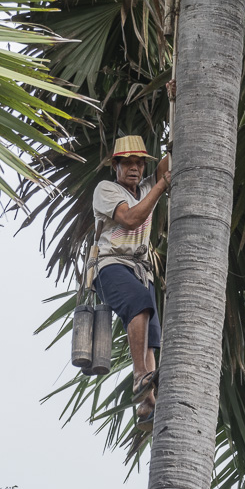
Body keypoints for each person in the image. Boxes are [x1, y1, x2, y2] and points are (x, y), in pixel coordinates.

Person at [91, 135, 171, 430]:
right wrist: (161, 186)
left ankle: (147, 405)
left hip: (141, 270)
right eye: (128, 163)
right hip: (110, 265)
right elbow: (130, 219)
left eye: (139, 163)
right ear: (116, 165)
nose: (135, 168)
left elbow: (170, 158)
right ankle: (140, 377)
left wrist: (177, 98)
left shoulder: (147, 185)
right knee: (139, 304)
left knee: (151, 335)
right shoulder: (107, 189)